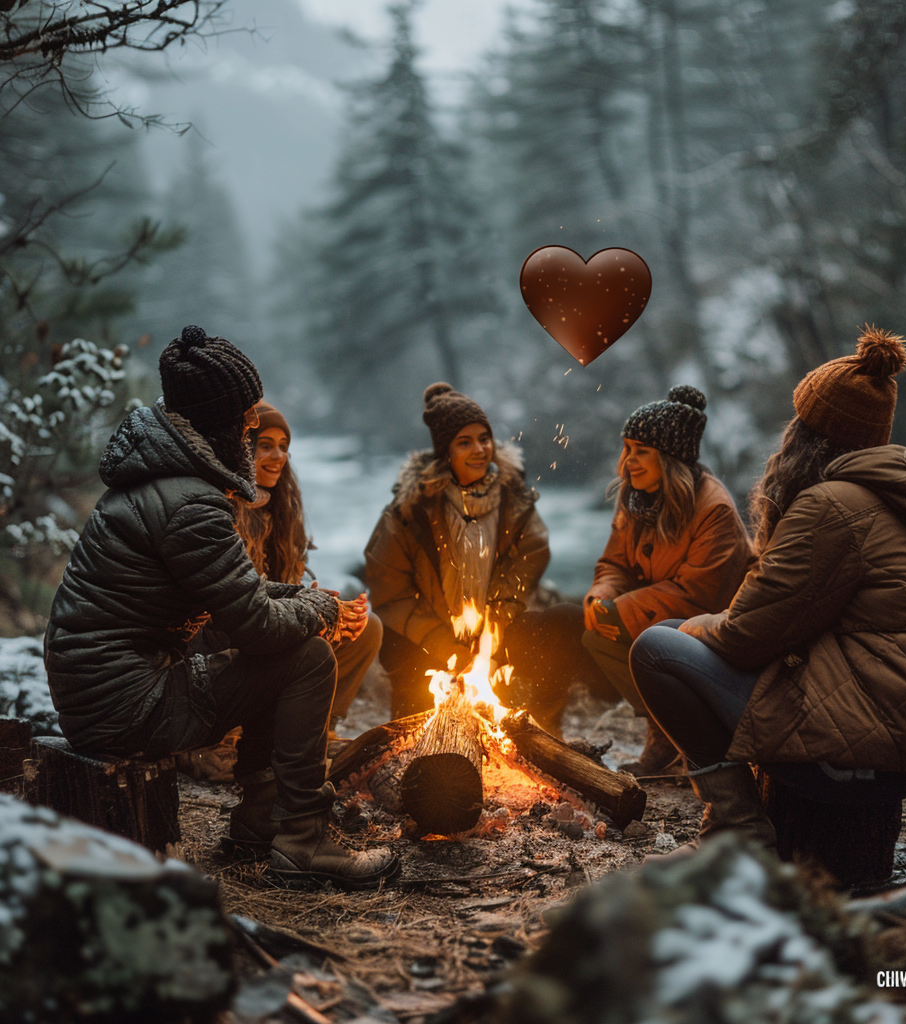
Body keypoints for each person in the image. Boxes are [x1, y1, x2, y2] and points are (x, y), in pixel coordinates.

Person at [44, 325, 398, 889]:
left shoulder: (166, 482)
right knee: (305, 657)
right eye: (249, 418)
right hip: (123, 707)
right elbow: (254, 625)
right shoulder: (190, 504)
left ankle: (260, 819)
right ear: (223, 422)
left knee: (290, 643)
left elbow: (236, 591)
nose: (254, 428)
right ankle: (302, 840)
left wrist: (305, 598)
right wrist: (324, 614)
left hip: (101, 693)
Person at [629, 327, 906, 851]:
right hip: (895, 752)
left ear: (807, 434)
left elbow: (746, 634)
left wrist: (696, 626)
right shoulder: (905, 505)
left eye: (796, 421)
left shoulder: (831, 505)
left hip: (849, 755)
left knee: (658, 647)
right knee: (685, 636)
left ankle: (738, 827)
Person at [581, 385, 753, 773]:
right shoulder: (635, 499)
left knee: (625, 632)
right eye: (627, 449)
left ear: (670, 458)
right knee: (591, 630)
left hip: (713, 633)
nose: (629, 462)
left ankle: (686, 733)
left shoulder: (714, 509)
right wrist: (601, 595)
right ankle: (664, 729)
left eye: (642, 451)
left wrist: (620, 610)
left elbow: (699, 596)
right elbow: (614, 563)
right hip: (660, 618)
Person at [364, 382, 554, 720]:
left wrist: (492, 631)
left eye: (484, 438)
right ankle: (413, 723)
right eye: (464, 443)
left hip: (496, 635)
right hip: (429, 639)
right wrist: (442, 643)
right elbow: (390, 592)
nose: (480, 450)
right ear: (445, 453)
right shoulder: (410, 510)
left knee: (560, 621)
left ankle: (545, 725)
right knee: (402, 663)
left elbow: (529, 561)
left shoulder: (514, 501)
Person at [235, 400, 383, 735]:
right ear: (242, 450)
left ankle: (318, 731)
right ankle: (235, 739)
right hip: (235, 633)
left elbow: (286, 585)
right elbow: (239, 602)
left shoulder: (281, 510)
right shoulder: (221, 508)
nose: (278, 457)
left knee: (366, 628)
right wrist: (308, 610)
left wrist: (322, 605)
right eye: (266, 446)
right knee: (316, 642)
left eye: (284, 447)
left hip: (274, 624)